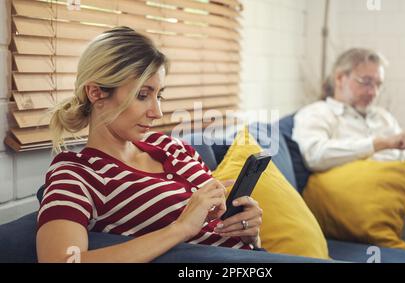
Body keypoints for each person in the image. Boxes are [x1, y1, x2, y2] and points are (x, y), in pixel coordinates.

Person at [36, 27, 263, 263]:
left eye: (159, 95)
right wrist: (181, 228)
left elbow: (235, 239)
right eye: (143, 95)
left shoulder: (174, 147)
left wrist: (250, 233)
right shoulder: (77, 174)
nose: (158, 112)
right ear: (96, 93)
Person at [292, 48, 405, 242]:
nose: (373, 92)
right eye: (366, 82)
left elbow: (403, 165)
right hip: (366, 206)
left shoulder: (383, 118)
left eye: (378, 84)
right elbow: (314, 155)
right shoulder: (317, 113)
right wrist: (380, 143)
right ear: (340, 78)